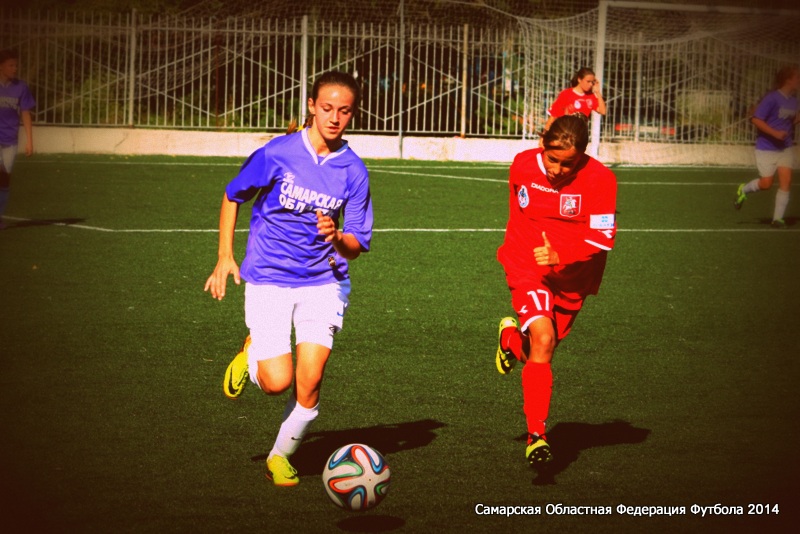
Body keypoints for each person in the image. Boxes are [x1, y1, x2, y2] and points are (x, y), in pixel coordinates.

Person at [204, 71, 373, 487]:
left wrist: (337, 237)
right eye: (327, 108)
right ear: (312, 106)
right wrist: (225, 256)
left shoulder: (353, 170)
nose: (334, 118)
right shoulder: (278, 153)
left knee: (309, 381)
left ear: (353, 114)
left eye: (344, 111)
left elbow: (357, 244)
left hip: (324, 281)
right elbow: (232, 195)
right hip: (269, 278)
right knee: (277, 383)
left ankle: (279, 456)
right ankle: (252, 354)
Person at [494, 115, 617, 467]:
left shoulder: (601, 179)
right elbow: (519, 215)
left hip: (574, 278)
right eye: (552, 159)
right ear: (541, 144)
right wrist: (526, 254)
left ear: (583, 155)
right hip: (527, 266)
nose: (558, 170)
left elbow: (602, 238)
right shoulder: (522, 165)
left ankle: (510, 340)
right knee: (544, 339)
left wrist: (561, 255)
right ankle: (537, 436)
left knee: (539, 351)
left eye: (568, 163)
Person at [733, 64, 800, 228]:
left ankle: (777, 219)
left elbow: (790, 121)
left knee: (786, 182)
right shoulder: (772, 98)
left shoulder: (794, 101)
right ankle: (744, 190)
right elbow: (756, 119)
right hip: (766, 148)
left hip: (785, 147)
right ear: (788, 80)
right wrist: (775, 133)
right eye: (797, 77)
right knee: (766, 184)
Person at [0, 49, 35, 229]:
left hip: (10, 139)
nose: (15, 69)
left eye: (16, 65)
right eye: (10, 65)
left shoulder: (21, 87)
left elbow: (26, 113)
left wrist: (29, 141)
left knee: (5, 179)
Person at [544, 67, 606, 133]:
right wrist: (544, 135)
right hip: (565, 133)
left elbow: (603, 111)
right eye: (588, 81)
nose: (590, 84)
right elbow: (553, 116)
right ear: (579, 79)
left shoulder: (590, 96)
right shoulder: (566, 94)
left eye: (592, 82)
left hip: (580, 134)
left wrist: (598, 92)